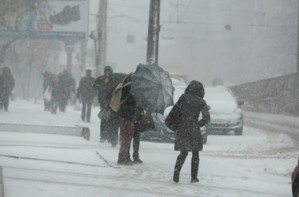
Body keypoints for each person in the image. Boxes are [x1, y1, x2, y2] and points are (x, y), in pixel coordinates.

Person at [166, 80, 210, 183]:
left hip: (183, 128)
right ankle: (194, 177)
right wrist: (198, 124)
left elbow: (175, 112)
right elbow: (206, 117)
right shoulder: (201, 101)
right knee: (195, 153)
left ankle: (176, 173)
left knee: (183, 152)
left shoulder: (183, 98)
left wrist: (175, 124)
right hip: (194, 129)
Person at [93, 66, 121, 146]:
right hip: (103, 102)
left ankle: (110, 137)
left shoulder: (114, 79)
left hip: (112, 102)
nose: (107, 73)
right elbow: (94, 86)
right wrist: (101, 87)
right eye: (106, 71)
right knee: (104, 119)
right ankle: (103, 136)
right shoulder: (100, 79)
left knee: (111, 119)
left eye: (109, 71)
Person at [117, 74, 136, 165]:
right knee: (126, 138)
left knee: (125, 138)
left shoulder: (126, 89)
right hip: (127, 118)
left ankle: (124, 157)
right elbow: (129, 105)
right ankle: (122, 158)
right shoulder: (129, 90)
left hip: (125, 117)